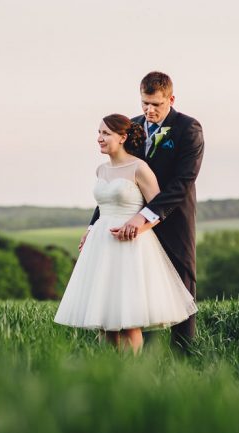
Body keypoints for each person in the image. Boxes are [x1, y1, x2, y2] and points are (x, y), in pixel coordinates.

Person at [81, 71, 204, 352]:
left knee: (180, 286)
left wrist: (145, 216)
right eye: (144, 103)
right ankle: (142, 358)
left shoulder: (188, 129)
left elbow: (183, 182)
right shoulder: (132, 127)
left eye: (156, 104)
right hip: (125, 224)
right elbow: (114, 182)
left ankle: (182, 357)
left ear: (171, 99)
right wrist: (94, 226)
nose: (149, 110)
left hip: (171, 219)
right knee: (131, 288)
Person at [53, 114, 197, 355]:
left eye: (106, 134)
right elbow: (102, 208)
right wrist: (90, 230)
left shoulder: (140, 168)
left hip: (131, 245)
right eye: (98, 133)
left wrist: (138, 228)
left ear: (123, 137)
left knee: (128, 320)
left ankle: (133, 377)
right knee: (105, 319)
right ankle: (108, 373)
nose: (99, 138)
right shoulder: (101, 170)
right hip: (101, 245)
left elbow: (159, 210)